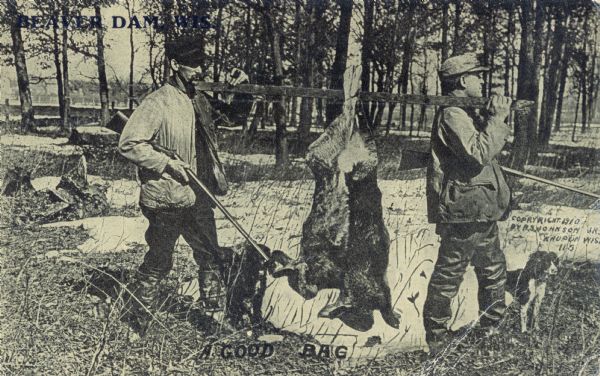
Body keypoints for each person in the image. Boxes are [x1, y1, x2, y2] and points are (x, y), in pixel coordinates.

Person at [118, 33, 248, 336]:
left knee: (209, 254)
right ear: (175, 65)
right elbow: (129, 143)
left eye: (201, 65)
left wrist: (241, 89)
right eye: (192, 65)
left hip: (200, 192)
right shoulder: (158, 102)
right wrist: (167, 165)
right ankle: (137, 321)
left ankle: (214, 320)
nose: (198, 71)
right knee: (160, 259)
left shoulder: (200, 99)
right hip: (167, 195)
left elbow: (234, 118)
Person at [423, 53, 513, 354]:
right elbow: (477, 154)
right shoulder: (452, 114)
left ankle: (491, 330)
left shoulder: (464, 113)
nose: (482, 81)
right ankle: (437, 340)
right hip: (464, 211)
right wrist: (497, 119)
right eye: (477, 76)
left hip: (480, 208)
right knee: (450, 275)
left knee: (493, 271)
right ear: (463, 81)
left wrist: (490, 119)